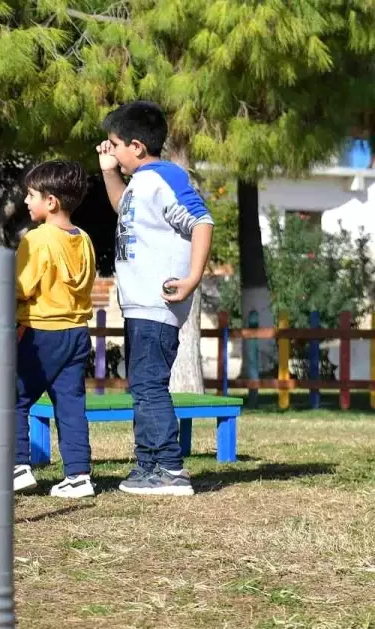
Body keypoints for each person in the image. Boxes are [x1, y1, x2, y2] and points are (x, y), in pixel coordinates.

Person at [98, 101, 214, 496]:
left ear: (136, 145)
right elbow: (122, 208)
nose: (110, 150)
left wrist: (192, 278)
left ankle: (169, 468)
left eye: (114, 145)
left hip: (156, 302)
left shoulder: (165, 177)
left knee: (149, 386)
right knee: (143, 385)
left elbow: (201, 220)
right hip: (140, 303)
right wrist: (108, 172)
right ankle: (149, 466)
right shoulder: (140, 184)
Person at [11, 161, 97, 499]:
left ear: (51, 202)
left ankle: (18, 467)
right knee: (71, 404)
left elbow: (20, 287)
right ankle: (79, 476)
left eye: (30, 195)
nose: (25, 202)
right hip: (77, 332)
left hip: (40, 332)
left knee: (12, 397)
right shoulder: (85, 239)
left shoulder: (37, 239)